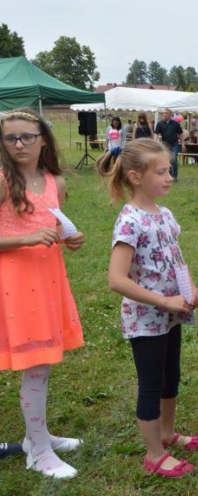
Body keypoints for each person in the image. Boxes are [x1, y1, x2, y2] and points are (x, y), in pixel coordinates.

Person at [98, 139, 198, 478]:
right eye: (161, 172)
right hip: (146, 319)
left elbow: (176, 258)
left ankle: (166, 433)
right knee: (151, 383)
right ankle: (154, 454)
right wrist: (164, 301)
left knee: (170, 376)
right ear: (135, 177)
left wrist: (189, 290)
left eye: (169, 170)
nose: (169, 177)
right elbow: (116, 279)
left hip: (171, 315)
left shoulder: (165, 214)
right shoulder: (130, 221)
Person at [0, 109, 85, 479]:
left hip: (48, 282)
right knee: (35, 366)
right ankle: (38, 451)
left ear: (44, 140)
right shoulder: (3, 181)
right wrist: (27, 238)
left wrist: (70, 239)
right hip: (15, 286)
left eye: (27, 137)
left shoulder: (55, 182)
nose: (19, 144)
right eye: (10, 138)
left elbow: (53, 228)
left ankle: (38, 435)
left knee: (43, 363)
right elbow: (29, 233)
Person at [154, 109, 183, 182]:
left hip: (174, 144)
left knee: (174, 159)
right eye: (164, 113)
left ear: (170, 114)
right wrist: (155, 142)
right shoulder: (160, 124)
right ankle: (168, 175)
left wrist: (183, 143)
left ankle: (175, 176)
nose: (165, 114)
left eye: (166, 113)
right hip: (165, 145)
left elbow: (180, 133)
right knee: (166, 160)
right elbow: (156, 133)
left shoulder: (175, 124)